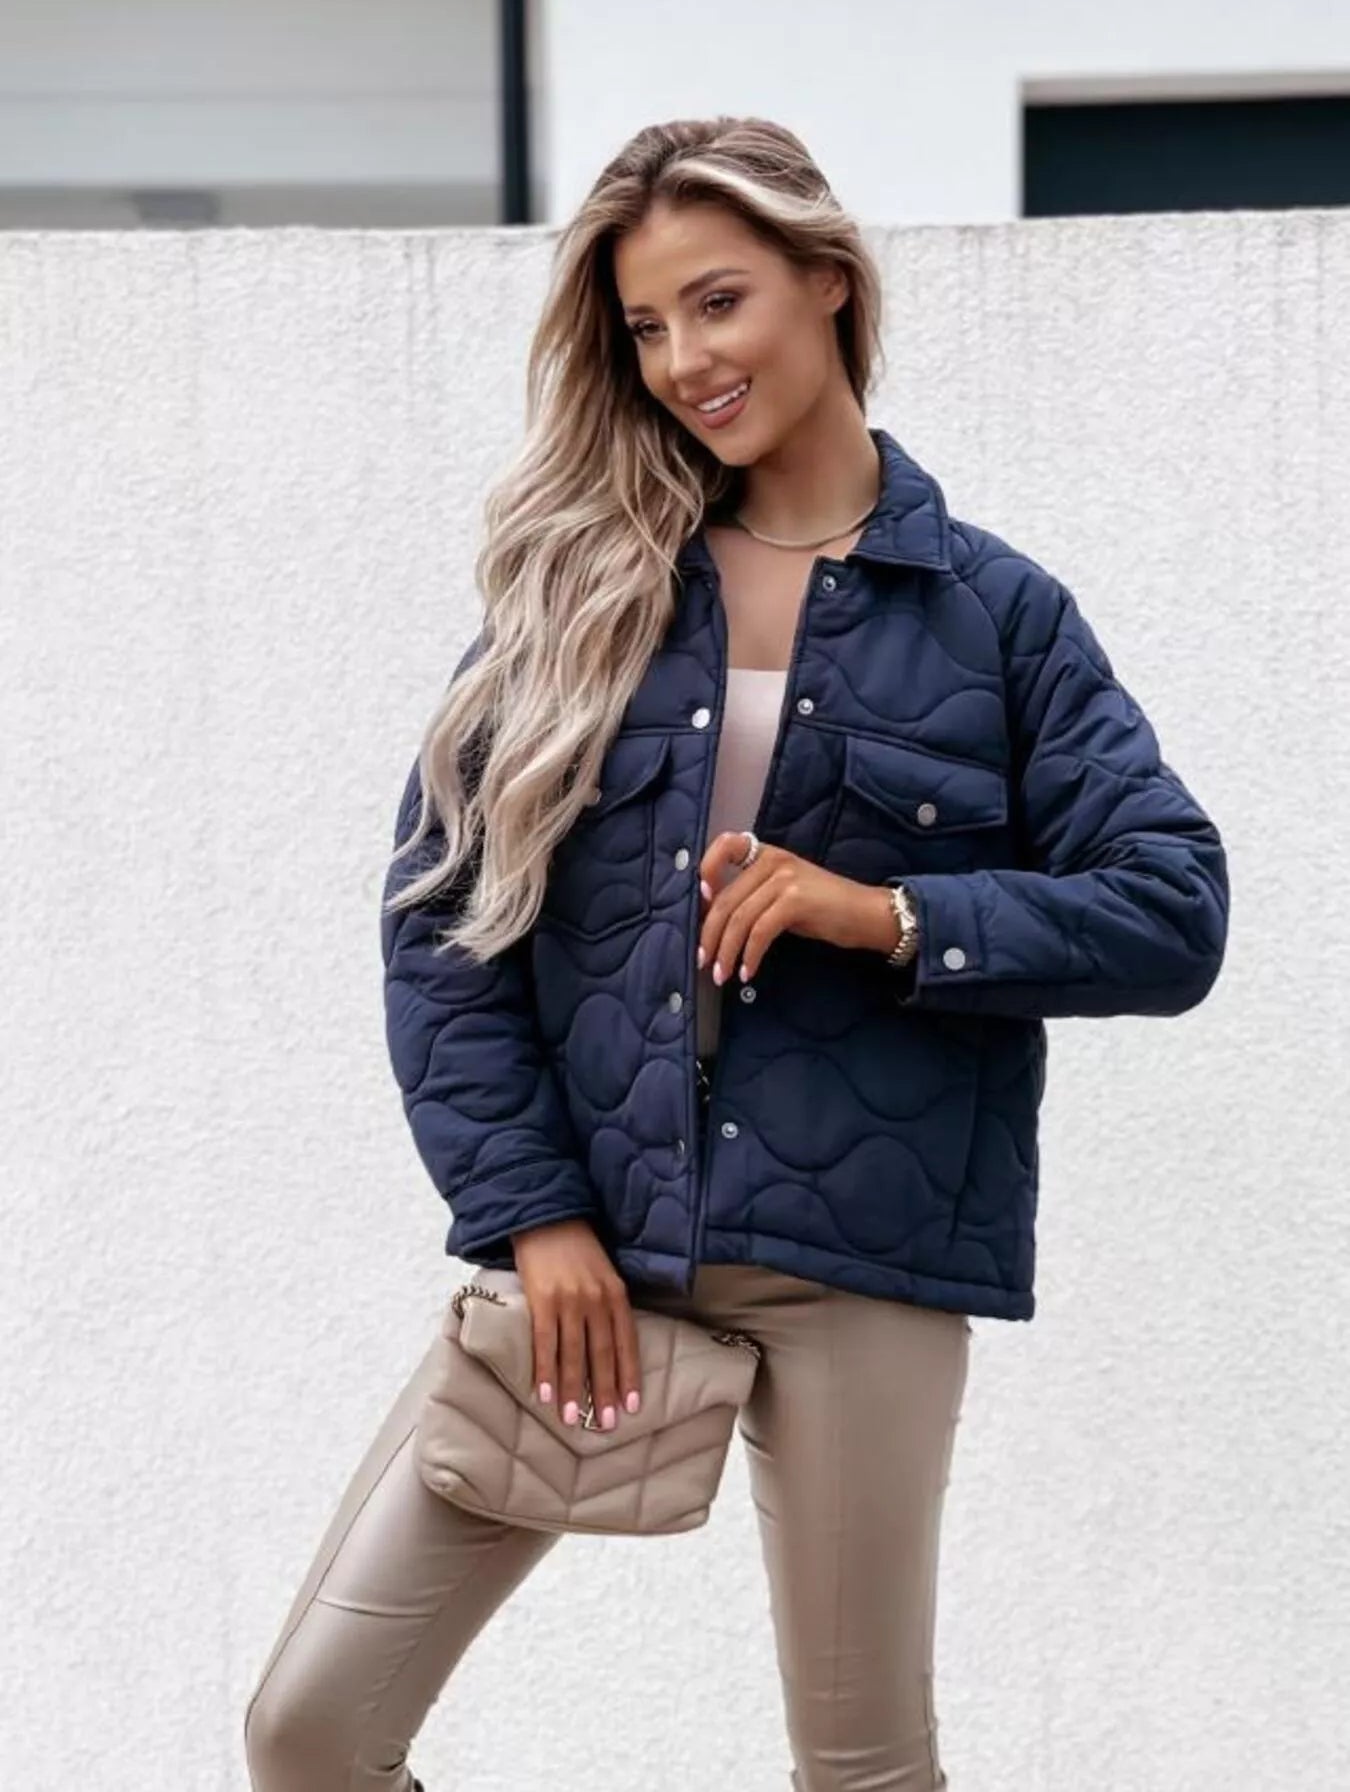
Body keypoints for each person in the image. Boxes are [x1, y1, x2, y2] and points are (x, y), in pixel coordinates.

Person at [244, 116, 1228, 1792]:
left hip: (865, 1268)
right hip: (596, 1259)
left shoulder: (994, 618)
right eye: (644, 328)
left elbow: (1171, 906)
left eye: (718, 303)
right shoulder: (580, 593)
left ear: (827, 285)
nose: (684, 360)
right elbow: (440, 929)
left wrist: (882, 912)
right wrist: (534, 1216)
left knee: (861, 1769)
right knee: (314, 1726)